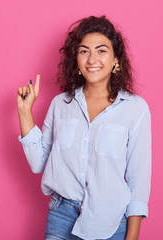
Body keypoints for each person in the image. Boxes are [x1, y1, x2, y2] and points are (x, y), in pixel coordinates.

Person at [17, 16, 151, 240]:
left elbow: (139, 180)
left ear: (116, 60)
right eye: (84, 51)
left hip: (111, 223)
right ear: (76, 60)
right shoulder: (61, 104)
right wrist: (25, 112)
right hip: (61, 218)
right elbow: (38, 162)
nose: (92, 59)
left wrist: (133, 236)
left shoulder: (135, 109)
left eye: (101, 51)